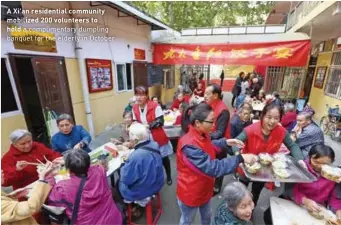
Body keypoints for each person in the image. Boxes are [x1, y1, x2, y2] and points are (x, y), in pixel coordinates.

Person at [177, 103, 257, 225]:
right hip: (191, 192)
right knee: (187, 220)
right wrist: (240, 158)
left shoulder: (202, 134)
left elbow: (209, 146)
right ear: (198, 123)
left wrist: (226, 142)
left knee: (207, 217)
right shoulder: (188, 145)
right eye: (211, 122)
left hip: (205, 188)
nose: (214, 125)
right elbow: (212, 167)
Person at [234, 103, 305, 205]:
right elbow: (236, 143)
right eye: (269, 117)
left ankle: (250, 211)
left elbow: (293, 146)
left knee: (256, 192)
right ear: (262, 115)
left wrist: (300, 159)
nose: (272, 121)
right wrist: (238, 157)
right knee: (240, 193)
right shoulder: (251, 129)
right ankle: (238, 213)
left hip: (264, 170)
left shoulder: (281, 131)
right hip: (246, 167)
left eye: (276, 118)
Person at [264, 145, 341, 224]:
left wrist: (338, 210)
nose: (319, 166)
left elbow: (335, 197)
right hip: (293, 202)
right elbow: (289, 190)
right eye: (316, 162)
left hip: (317, 209)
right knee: (269, 216)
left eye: (325, 164)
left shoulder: (334, 176)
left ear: (332, 161)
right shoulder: (300, 167)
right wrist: (305, 200)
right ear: (309, 157)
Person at [48, 150, 122, 225]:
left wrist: (49, 176)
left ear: (68, 170)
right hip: (114, 219)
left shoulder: (62, 188)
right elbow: (101, 166)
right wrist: (72, 163)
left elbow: (54, 210)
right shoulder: (99, 170)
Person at [132, 86, 173, 185]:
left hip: (157, 136)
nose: (139, 98)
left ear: (146, 96)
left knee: (164, 158)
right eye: (137, 95)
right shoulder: (134, 107)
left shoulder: (155, 106)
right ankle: (155, 178)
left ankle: (169, 176)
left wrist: (149, 125)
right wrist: (134, 124)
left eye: (141, 95)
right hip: (144, 138)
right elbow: (135, 120)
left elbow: (161, 121)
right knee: (150, 160)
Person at [119, 123, 164, 203]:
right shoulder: (155, 145)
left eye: (130, 138)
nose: (129, 140)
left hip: (144, 190)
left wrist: (123, 164)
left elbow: (126, 179)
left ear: (136, 140)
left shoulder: (136, 156)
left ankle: (132, 208)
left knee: (120, 183)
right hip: (158, 183)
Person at [204, 84, 232, 194]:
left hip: (220, 144)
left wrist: (205, 136)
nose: (204, 96)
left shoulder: (223, 110)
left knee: (220, 165)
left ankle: (217, 186)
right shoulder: (209, 105)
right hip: (210, 141)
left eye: (207, 94)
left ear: (215, 95)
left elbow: (220, 132)